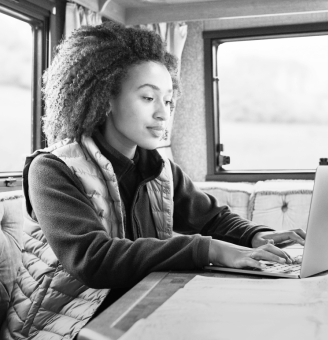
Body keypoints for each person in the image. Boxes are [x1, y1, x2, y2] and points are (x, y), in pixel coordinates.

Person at [2, 22, 305, 340]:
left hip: (136, 311)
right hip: (59, 328)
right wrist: (209, 250)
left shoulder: (159, 168)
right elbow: (93, 258)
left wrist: (258, 236)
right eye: (148, 98)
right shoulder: (50, 169)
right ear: (105, 98)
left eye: (169, 101)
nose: (164, 114)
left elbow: (212, 217)